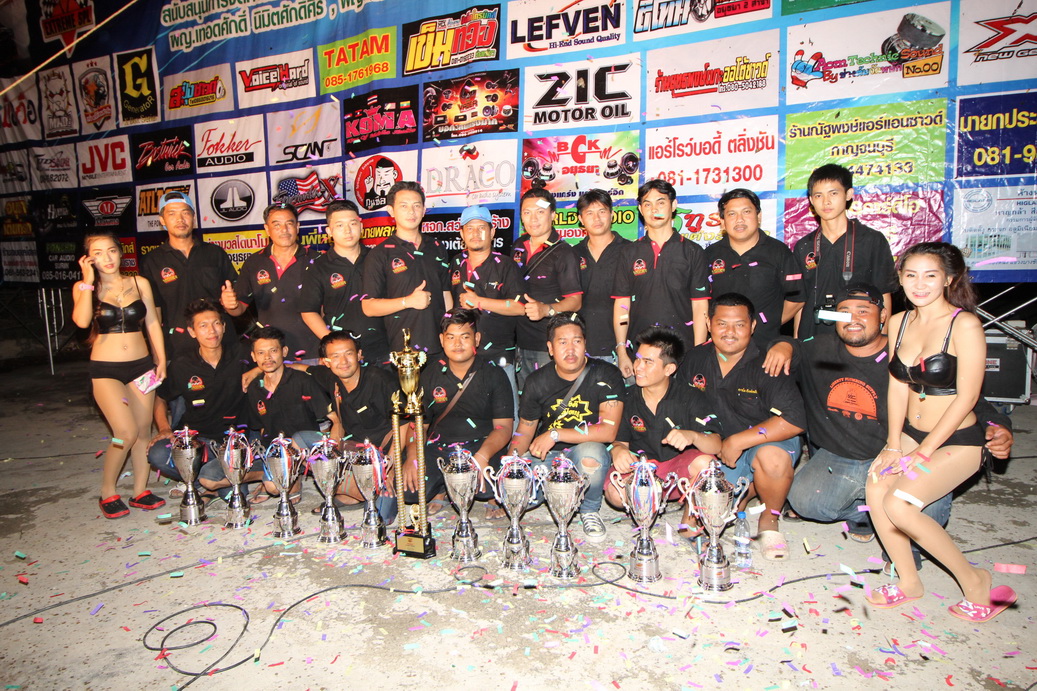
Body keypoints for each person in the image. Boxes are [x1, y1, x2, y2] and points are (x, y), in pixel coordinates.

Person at [765, 284, 1013, 553]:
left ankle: (888, 516)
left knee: (927, 519)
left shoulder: (905, 354)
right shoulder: (819, 349)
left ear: (883, 316)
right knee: (804, 501)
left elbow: (967, 397)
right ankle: (866, 514)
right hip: (844, 456)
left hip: (902, 454)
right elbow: (788, 347)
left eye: (863, 311)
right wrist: (782, 345)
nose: (853, 319)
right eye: (843, 312)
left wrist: (997, 426)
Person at [866, 243, 1016, 621]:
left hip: (957, 440)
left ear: (948, 279)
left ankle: (976, 582)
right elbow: (897, 387)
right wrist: (894, 444)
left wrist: (924, 451)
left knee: (900, 504)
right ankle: (908, 582)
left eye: (930, 275)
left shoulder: (964, 324)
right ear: (900, 279)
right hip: (912, 433)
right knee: (876, 484)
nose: (920, 284)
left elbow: (968, 397)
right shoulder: (898, 322)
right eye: (911, 275)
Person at [678, 293, 806, 560]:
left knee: (772, 460)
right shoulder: (695, 358)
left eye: (739, 324)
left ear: (753, 326)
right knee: (705, 517)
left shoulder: (768, 360)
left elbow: (793, 419)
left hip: (765, 442)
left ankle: (769, 521)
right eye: (722, 324)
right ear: (708, 323)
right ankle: (746, 493)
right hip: (719, 450)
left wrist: (738, 441)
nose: (730, 332)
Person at [72, 230, 168, 518]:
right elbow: (82, 322)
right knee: (124, 432)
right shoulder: (85, 288)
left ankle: (140, 491)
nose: (107, 258)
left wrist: (161, 359)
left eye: (112, 250)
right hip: (106, 370)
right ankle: (107, 492)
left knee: (142, 431)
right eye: (98, 253)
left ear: (120, 252)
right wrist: (88, 281)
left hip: (142, 366)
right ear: (88, 259)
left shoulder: (139, 283)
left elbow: (152, 323)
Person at [386, 309, 515, 521]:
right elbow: (418, 425)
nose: (458, 344)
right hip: (440, 447)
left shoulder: (494, 374)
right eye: (451, 337)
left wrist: (483, 456)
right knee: (409, 490)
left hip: (480, 446)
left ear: (477, 339)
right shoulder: (428, 374)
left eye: (465, 337)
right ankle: (442, 489)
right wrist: (413, 456)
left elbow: (504, 427)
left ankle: (487, 496)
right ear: (441, 340)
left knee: (489, 488)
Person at [510, 312, 624, 542]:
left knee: (592, 454)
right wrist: (511, 463)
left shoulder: (606, 374)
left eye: (577, 341)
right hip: (548, 456)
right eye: (562, 342)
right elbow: (525, 429)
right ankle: (552, 492)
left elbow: (608, 430)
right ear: (550, 348)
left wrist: (555, 434)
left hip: (584, 452)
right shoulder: (536, 381)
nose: (570, 349)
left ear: (585, 344)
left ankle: (589, 509)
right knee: (516, 491)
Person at [604, 327, 722, 536]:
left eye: (648, 362)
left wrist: (692, 436)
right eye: (638, 359)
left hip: (677, 474)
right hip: (641, 470)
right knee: (615, 492)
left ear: (669, 369)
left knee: (707, 464)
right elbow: (618, 441)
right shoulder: (627, 397)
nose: (638, 367)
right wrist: (618, 450)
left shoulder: (690, 396)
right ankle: (644, 514)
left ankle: (690, 520)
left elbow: (716, 444)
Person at [146, 299, 263, 499]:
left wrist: (257, 370)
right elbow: (160, 398)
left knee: (234, 494)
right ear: (192, 332)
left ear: (224, 327)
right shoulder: (182, 364)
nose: (212, 331)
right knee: (158, 454)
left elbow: (276, 361)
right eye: (203, 326)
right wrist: (164, 428)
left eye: (216, 323)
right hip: (199, 441)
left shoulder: (242, 354)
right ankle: (207, 478)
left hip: (236, 441)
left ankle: (211, 480)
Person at [614, 179, 709, 379]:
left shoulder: (692, 252)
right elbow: (622, 304)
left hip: (681, 355)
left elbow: (700, 307)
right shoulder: (629, 252)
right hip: (638, 354)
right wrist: (622, 351)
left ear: (673, 205)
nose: (654, 209)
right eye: (647, 204)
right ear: (640, 209)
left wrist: (697, 355)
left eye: (661, 202)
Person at [792, 164, 896, 340]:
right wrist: (797, 341)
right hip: (813, 337)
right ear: (811, 200)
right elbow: (800, 301)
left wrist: (883, 340)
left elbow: (884, 294)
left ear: (848, 194)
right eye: (818, 195)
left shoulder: (871, 240)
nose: (826, 202)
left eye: (833, 193)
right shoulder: (804, 246)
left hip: (857, 334)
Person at [138, 191, 237, 360]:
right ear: (162, 220)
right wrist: (158, 357)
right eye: (172, 214)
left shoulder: (215, 253)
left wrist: (232, 301)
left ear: (193, 217)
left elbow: (235, 300)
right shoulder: (152, 261)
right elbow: (153, 315)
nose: (180, 219)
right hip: (177, 349)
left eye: (185, 213)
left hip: (220, 344)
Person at [306, 331, 398, 510]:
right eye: (335, 356)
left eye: (348, 353)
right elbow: (301, 368)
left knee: (381, 513)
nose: (343, 361)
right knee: (299, 442)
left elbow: (404, 425)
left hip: (386, 454)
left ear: (359, 355)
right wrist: (256, 370)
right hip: (355, 453)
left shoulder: (379, 379)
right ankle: (355, 491)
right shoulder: (331, 378)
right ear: (326, 361)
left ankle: (356, 491)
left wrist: (391, 465)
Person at [245, 326, 337, 501]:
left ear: (284, 351)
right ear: (253, 356)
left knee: (274, 486)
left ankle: (294, 475)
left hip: (303, 449)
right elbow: (261, 427)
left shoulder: (303, 381)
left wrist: (331, 454)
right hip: (275, 452)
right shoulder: (254, 388)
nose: (267, 357)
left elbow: (334, 419)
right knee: (214, 477)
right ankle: (273, 475)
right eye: (261, 353)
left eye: (273, 351)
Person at [361, 181, 452, 358]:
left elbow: (445, 293)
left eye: (416, 205)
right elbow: (368, 307)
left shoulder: (437, 247)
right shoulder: (379, 254)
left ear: (424, 210)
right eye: (404, 206)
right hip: (403, 350)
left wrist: (450, 331)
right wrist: (408, 301)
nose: (411, 211)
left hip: (441, 346)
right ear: (391, 211)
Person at [221, 203, 319, 362]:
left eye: (289, 223)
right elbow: (239, 309)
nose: (284, 230)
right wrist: (231, 305)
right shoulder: (254, 262)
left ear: (297, 226)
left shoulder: (317, 260)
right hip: (270, 355)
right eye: (277, 225)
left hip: (311, 352)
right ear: (267, 229)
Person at [704, 188, 803, 345]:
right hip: (722, 345)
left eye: (746, 212)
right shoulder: (709, 255)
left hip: (765, 345)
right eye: (732, 214)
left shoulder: (779, 252)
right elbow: (701, 301)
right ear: (722, 221)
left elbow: (796, 298)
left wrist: (768, 323)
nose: (740, 220)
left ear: (759, 216)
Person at [449, 205, 524, 408]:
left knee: (507, 415)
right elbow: (449, 300)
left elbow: (519, 307)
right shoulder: (456, 263)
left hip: (499, 357)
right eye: (470, 228)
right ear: (461, 233)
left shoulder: (505, 265)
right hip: (463, 357)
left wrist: (479, 302)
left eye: (482, 227)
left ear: (492, 232)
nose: (475, 233)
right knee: (469, 415)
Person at [300, 199, 390, 368]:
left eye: (352, 223)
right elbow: (308, 311)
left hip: (382, 350)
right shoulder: (319, 266)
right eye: (340, 225)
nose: (347, 230)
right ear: (329, 231)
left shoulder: (378, 258)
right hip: (343, 359)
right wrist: (334, 344)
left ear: (361, 226)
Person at [510, 188, 583, 389]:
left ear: (552, 215)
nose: (533, 219)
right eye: (527, 212)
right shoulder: (518, 245)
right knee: (525, 402)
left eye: (540, 212)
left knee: (550, 402)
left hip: (547, 347)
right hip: (517, 343)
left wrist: (546, 310)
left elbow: (575, 302)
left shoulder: (564, 253)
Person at [573, 189, 630, 362]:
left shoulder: (630, 251)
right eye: (589, 213)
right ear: (581, 219)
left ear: (612, 214)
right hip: (582, 347)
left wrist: (623, 350)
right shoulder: (572, 254)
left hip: (623, 348)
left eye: (602, 211)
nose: (596, 218)